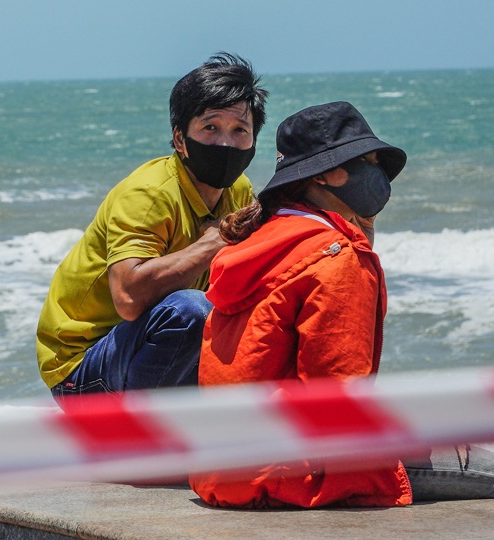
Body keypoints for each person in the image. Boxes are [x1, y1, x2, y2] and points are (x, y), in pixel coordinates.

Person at [191, 101, 494, 508]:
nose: (378, 174)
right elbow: (338, 398)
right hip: (296, 472)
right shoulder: (336, 256)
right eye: (368, 162)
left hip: (225, 469)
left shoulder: (265, 239)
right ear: (325, 173)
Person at [36, 53, 267, 397]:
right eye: (210, 128)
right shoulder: (149, 193)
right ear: (180, 139)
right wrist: (214, 241)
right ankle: (143, 428)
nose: (225, 143)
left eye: (240, 130)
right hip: (82, 368)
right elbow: (129, 297)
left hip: (156, 357)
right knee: (190, 310)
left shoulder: (239, 190)